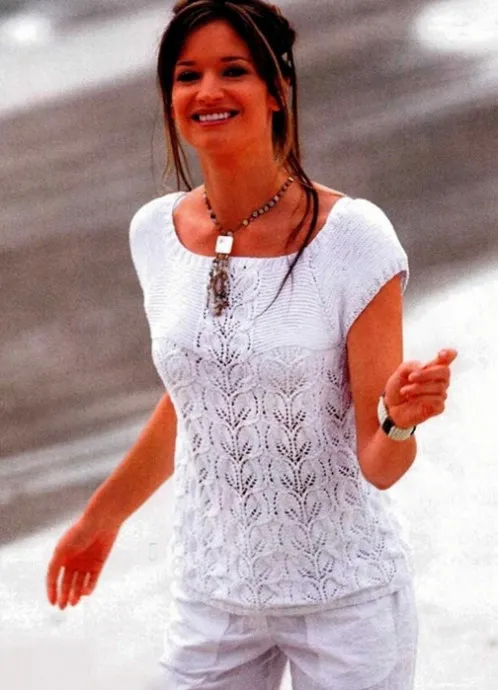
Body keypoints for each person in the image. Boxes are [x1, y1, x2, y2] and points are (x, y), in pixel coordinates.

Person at [46, 1, 458, 688]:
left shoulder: (353, 239)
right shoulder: (154, 235)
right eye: (187, 75)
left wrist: (399, 418)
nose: (207, 90)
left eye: (233, 70)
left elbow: (381, 464)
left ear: (276, 90)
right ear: (170, 98)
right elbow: (196, 401)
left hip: (345, 599)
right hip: (213, 594)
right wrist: (99, 520)